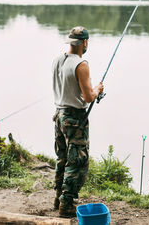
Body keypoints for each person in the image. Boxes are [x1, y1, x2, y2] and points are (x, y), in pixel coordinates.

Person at [52, 26, 104, 218]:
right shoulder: (81, 64)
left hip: (59, 115)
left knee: (63, 158)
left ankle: (58, 198)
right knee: (77, 162)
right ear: (85, 42)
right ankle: (66, 205)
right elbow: (89, 97)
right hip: (75, 119)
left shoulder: (57, 60)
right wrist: (98, 89)